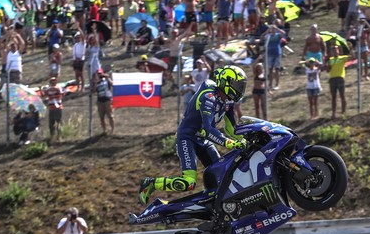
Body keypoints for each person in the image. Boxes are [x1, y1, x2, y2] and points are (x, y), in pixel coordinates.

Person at [138, 65, 248, 206]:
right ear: (225, 82)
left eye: (241, 86)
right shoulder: (209, 97)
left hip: (202, 140)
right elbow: (208, 130)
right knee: (188, 183)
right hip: (187, 138)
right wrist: (230, 143)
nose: (240, 89)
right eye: (237, 85)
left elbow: (232, 129)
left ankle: (214, 203)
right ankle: (151, 184)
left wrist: (245, 140)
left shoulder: (228, 102)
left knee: (221, 174)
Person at [326, 45, 350, 119]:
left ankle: (343, 112)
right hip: (332, 78)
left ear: (338, 51)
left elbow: (352, 57)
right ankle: (333, 113)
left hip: (340, 78)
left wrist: (350, 48)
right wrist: (327, 65)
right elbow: (328, 70)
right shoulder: (330, 60)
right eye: (333, 50)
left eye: (336, 50)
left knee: (342, 95)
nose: (335, 51)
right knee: (333, 97)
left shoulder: (342, 58)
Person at [95, 69, 115, 134]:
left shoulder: (106, 80)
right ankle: (104, 130)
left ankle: (112, 130)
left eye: (100, 74)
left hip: (107, 99)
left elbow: (112, 84)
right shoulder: (97, 82)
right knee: (101, 117)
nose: (100, 75)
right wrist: (96, 82)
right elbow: (94, 90)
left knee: (110, 116)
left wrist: (107, 78)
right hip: (100, 101)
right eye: (98, 74)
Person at [252, 55, 268, 119]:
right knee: (256, 106)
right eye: (258, 68)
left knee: (263, 105)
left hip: (262, 90)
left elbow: (267, 83)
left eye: (260, 67)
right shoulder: (255, 74)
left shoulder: (264, 74)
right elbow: (253, 65)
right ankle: (258, 118)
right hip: (255, 90)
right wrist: (258, 58)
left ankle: (265, 118)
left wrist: (269, 90)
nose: (259, 69)